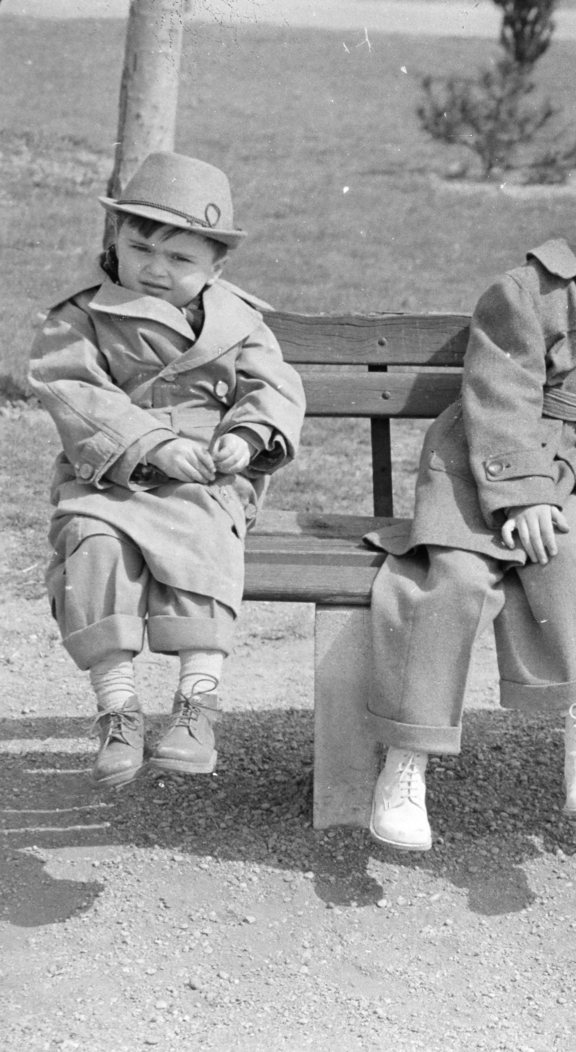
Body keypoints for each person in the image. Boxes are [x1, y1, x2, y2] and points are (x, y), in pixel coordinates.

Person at [362, 146, 576, 852]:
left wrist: (573, 489)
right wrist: (521, 496)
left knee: (566, 570)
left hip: (566, 469)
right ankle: (406, 764)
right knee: (450, 583)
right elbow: (499, 389)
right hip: (480, 460)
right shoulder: (527, 288)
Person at [30, 152, 306, 789]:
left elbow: (274, 389)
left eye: (181, 259)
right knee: (94, 545)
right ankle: (117, 707)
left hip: (206, 476)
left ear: (216, 265)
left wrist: (246, 437)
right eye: (141, 248)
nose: (155, 269)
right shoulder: (79, 315)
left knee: (205, 539)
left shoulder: (240, 321)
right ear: (117, 242)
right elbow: (74, 390)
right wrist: (151, 444)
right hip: (111, 476)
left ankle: (196, 704)